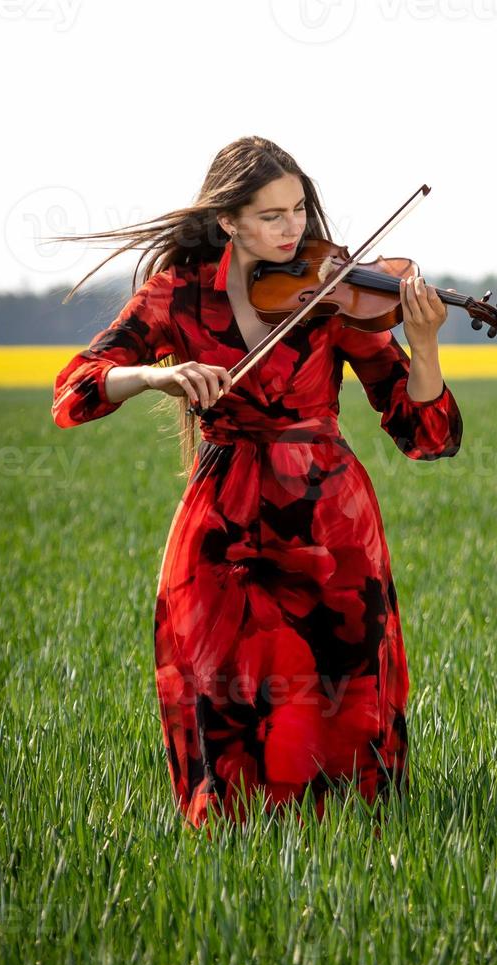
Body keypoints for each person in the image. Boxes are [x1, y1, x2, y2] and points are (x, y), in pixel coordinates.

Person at [49, 136, 462, 831]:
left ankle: (357, 839)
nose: (293, 228)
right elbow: (75, 391)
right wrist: (158, 374)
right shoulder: (177, 295)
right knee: (219, 679)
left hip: (327, 511)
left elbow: (424, 433)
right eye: (271, 216)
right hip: (223, 512)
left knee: (340, 679)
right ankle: (236, 841)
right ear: (228, 222)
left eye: (299, 209)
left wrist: (423, 346)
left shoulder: (335, 291)